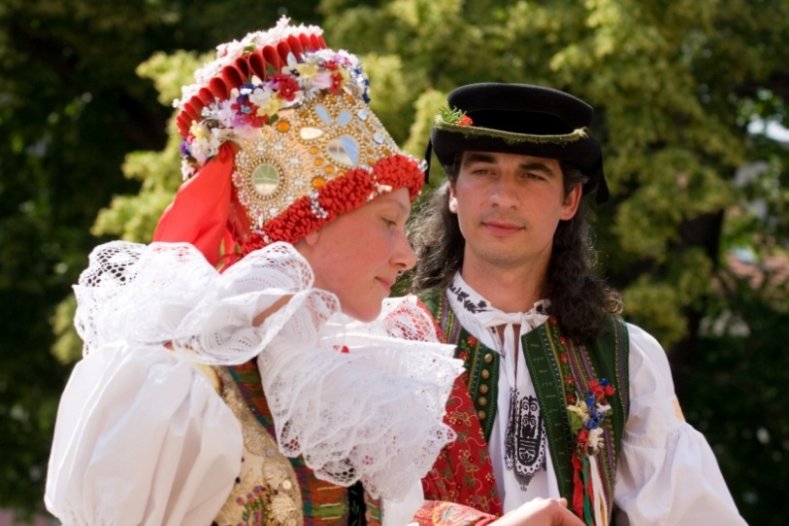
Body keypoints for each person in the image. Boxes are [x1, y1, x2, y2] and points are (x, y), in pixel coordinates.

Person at [43, 19, 584, 526]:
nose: (407, 255)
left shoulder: (347, 385)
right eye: (388, 222)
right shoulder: (178, 384)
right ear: (307, 223)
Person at [409, 83, 747, 525]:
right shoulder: (390, 341)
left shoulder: (629, 358)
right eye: (484, 171)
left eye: (532, 175)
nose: (503, 197)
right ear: (454, 191)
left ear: (569, 200)